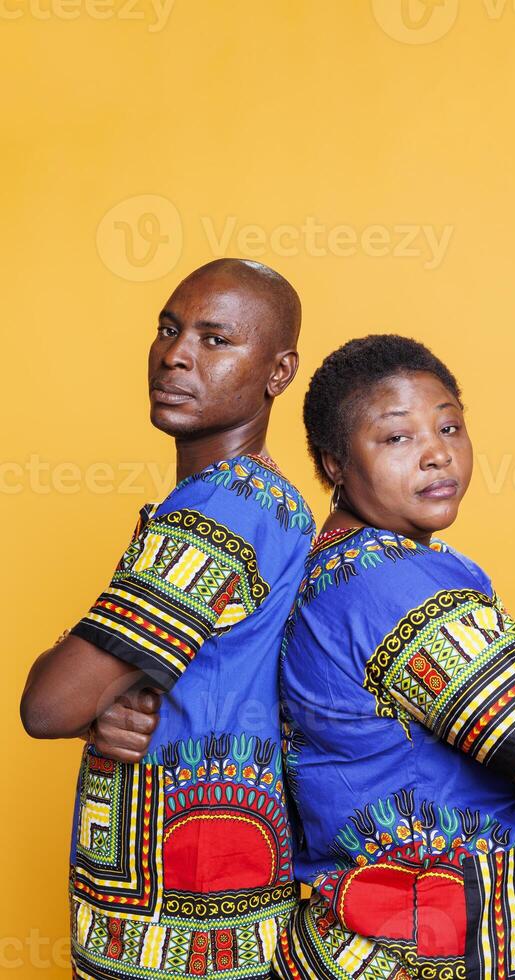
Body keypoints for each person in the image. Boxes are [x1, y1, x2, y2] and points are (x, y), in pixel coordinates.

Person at [272, 335, 515, 980]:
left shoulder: (342, 565)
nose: (438, 453)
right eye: (397, 438)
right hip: (411, 956)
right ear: (333, 463)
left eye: (449, 426)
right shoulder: (392, 588)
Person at [20, 259, 315, 980]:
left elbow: (47, 702)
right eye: (169, 329)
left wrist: (87, 688)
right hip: (221, 899)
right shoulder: (273, 501)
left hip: (183, 916)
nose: (176, 353)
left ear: (279, 373)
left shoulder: (221, 512)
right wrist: (106, 701)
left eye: (217, 340)